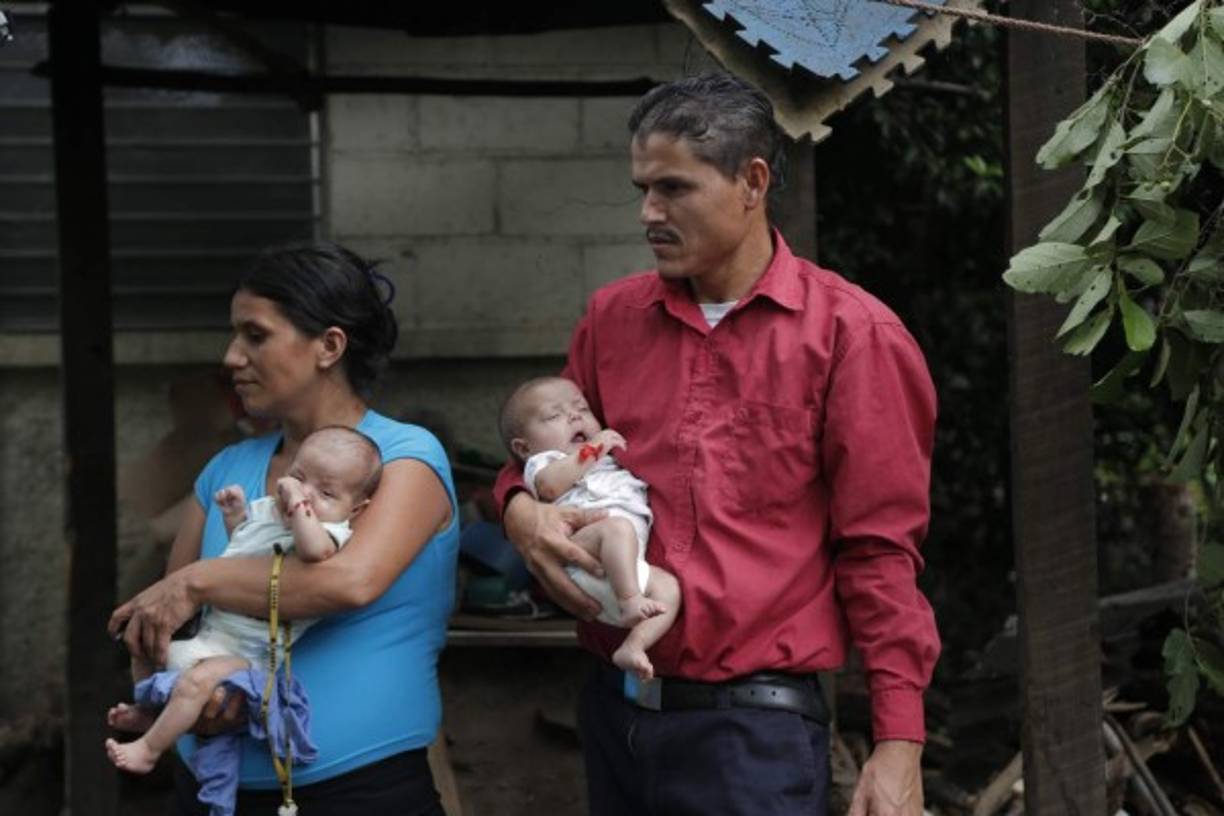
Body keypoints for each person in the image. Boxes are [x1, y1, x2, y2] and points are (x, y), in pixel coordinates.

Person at [494, 72, 939, 816]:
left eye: (673, 188)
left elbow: (881, 549)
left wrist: (900, 740)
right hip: (613, 710)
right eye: (642, 187)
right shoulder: (612, 318)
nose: (648, 212)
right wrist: (518, 511)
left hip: (751, 735)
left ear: (751, 182)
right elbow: (536, 454)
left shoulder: (852, 336)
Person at [109, 242, 459, 816]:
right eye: (234, 335)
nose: (230, 358)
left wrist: (201, 580)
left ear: (329, 346)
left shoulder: (405, 458)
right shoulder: (227, 469)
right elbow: (170, 618)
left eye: (256, 335)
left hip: (361, 793)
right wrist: (199, 687)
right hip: (212, 791)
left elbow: (348, 582)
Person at [105, 425, 382, 780]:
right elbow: (246, 549)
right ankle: (150, 709)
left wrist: (298, 504)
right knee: (142, 643)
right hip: (210, 635)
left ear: (355, 508)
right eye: (298, 477)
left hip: (248, 657)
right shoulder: (269, 511)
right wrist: (236, 516)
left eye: (325, 492)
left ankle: (149, 749)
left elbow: (313, 551)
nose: (305, 494)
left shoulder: (330, 532)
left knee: (195, 683)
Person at [499, 376, 681, 681]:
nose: (574, 416)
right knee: (617, 529)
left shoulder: (604, 461)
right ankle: (629, 601)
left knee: (669, 589)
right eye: (554, 415)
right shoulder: (545, 461)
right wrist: (593, 449)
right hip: (584, 553)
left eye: (582, 409)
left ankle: (634, 645)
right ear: (523, 447)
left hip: (623, 565)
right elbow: (549, 486)